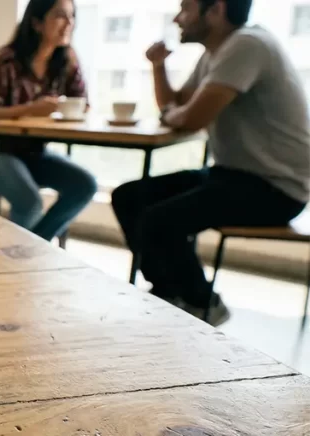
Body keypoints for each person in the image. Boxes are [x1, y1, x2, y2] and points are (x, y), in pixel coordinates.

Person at [112, 0, 310, 325]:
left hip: (276, 187)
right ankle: (171, 295)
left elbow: (191, 119)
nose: (178, 18)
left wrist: (173, 115)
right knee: (128, 197)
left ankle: (203, 305)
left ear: (215, 10)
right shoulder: (215, 53)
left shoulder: (248, 45)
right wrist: (158, 66)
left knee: (161, 220)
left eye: (185, 8)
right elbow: (177, 105)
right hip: (232, 175)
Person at [0, 0, 97, 241]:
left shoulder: (67, 59)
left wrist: (67, 110)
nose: (69, 23)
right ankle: (15, 264)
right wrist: (32, 109)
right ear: (37, 22)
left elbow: (82, 104)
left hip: (35, 154)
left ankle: (32, 247)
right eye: (60, 16)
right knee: (29, 202)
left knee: (85, 185)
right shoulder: (7, 59)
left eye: (72, 16)